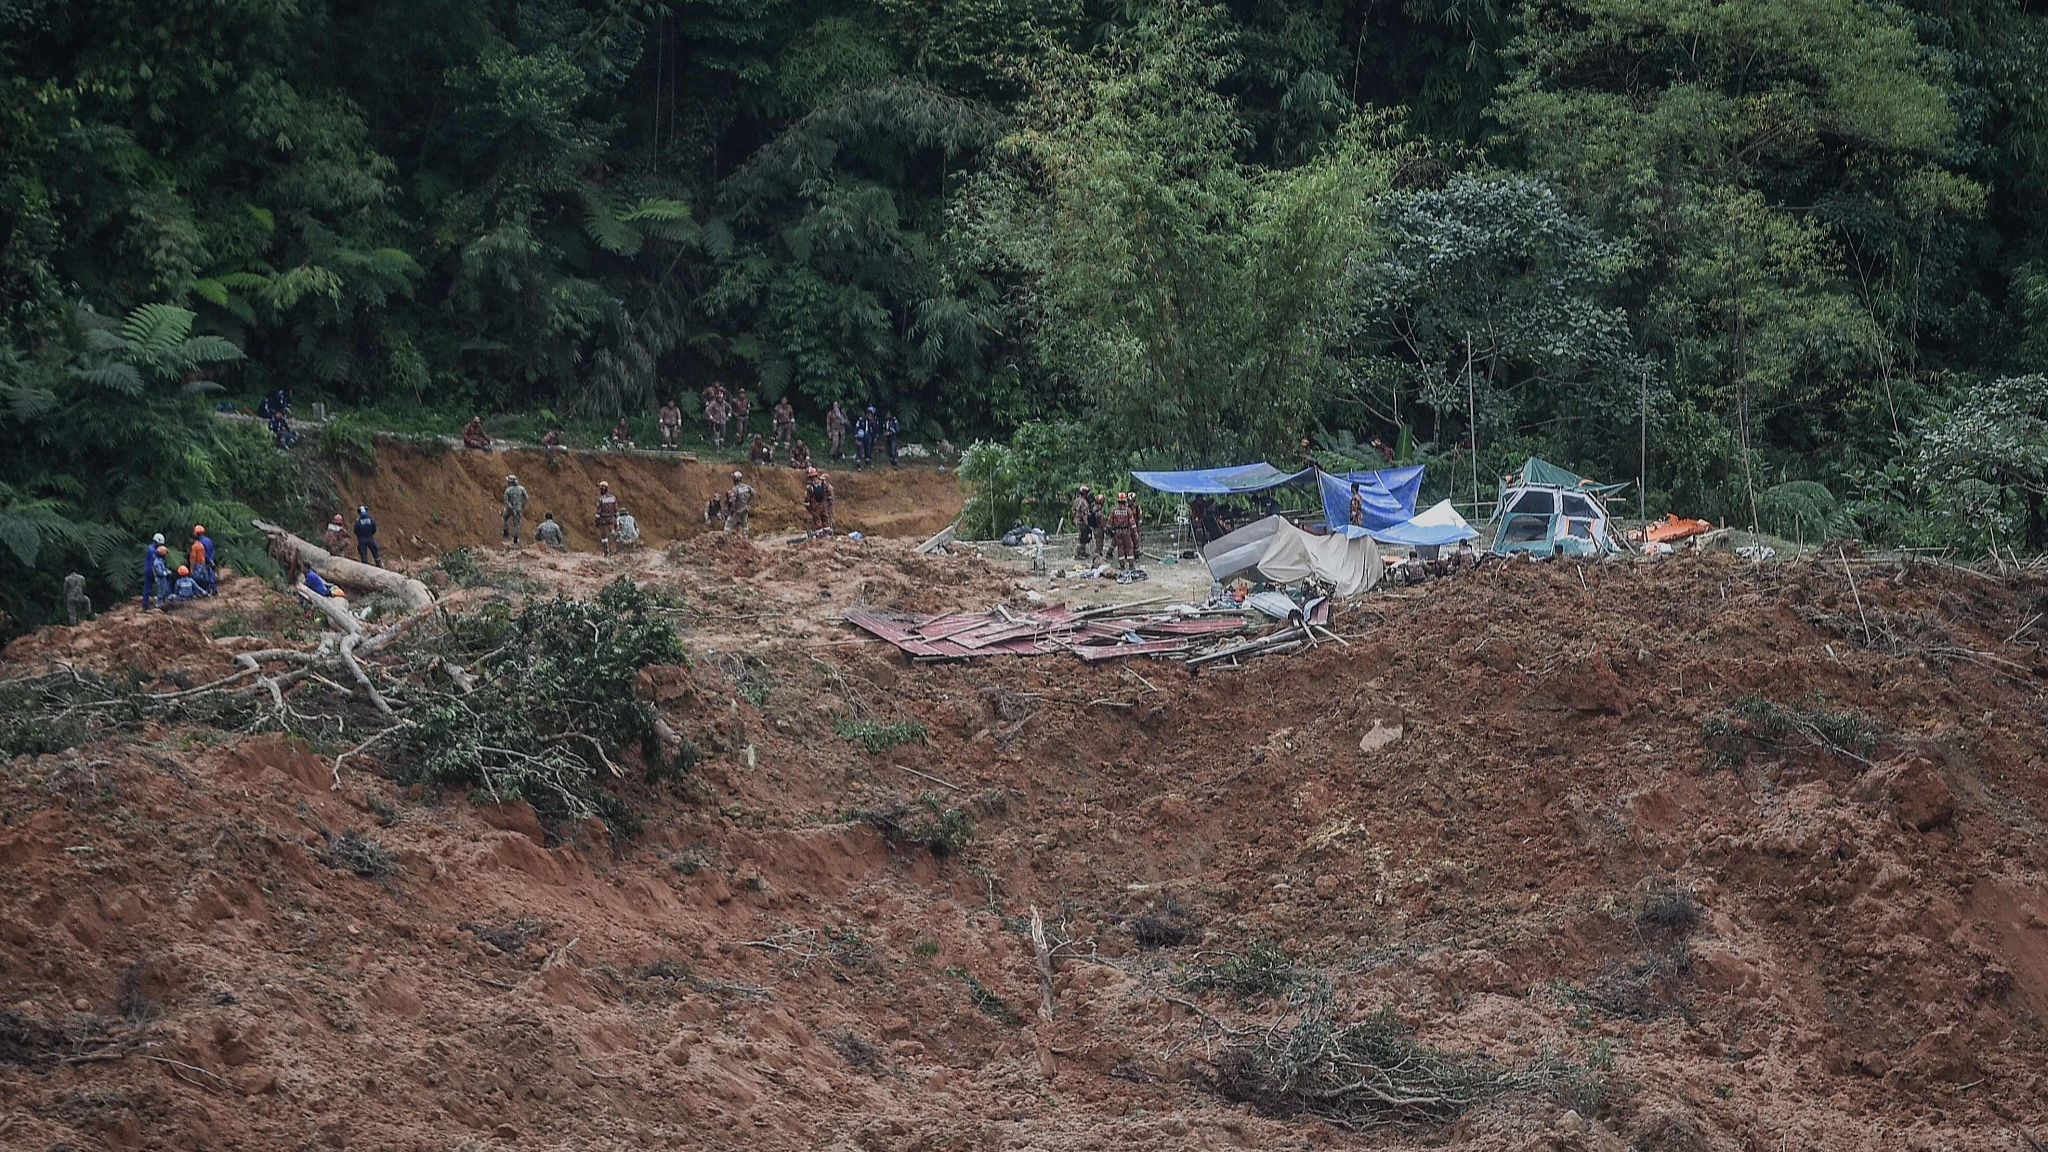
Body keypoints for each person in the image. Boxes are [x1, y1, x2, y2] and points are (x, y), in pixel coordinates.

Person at [1108, 492, 1141, 571]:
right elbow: (1132, 523)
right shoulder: (1127, 510)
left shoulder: (1114, 510)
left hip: (1117, 531)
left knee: (1120, 548)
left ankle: (1122, 566)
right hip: (1126, 531)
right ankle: (1131, 565)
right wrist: (1135, 532)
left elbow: (1109, 522)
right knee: (1129, 548)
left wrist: (1109, 531)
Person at [803, 467, 835, 534]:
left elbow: (807, 500)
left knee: (817, 522)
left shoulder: (809, 487)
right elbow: (829, 492)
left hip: (815, 508)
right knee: (826, 520)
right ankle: (827, 534)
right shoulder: (823, 483)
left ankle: (819, 536)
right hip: (824, 506)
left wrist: (809, 509)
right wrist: (828, 502)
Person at [141, 541, 171, 610]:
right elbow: (157, 569)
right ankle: (152, 605)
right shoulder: (154, 556)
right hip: (155, 575)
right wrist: (158, 575)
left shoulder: (159, 559)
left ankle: (164, 603)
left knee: (165, 589)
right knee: (159, 590)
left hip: (158, 575)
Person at [595, 481, 620, 555]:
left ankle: (606, 552)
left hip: (603, 520)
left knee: (604, 537)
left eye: (601, 489)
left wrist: (596, 521)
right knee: (612, 534)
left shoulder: (601, 499)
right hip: (611, 519)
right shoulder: (613, 498)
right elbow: (616, 511)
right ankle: (616, 547)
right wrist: (617, 522)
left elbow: (598, 512)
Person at [502, 474, 529, 543]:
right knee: (516, 524)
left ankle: (506, 533)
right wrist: (522, 505)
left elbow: (505, 500)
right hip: (518, 509)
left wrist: (510, 506)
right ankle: (515, 539)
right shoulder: (521, 489)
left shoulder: (508, 490)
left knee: (505, 518)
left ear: (510, 482)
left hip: (509, 509)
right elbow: (526, 498)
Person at [190, 525, 217, 591]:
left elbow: (201, 554)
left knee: (204, 576)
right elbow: (213, 550)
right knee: (210, 574)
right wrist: (211, 559)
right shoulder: (208, 540)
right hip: (210, 559)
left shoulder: (199, 544)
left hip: (204, 561)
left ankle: (208, 590)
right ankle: (213, 588)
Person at [1071, 485, 1095, 560]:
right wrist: (1087, 523)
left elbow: (1073, 511)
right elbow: (1084, 514)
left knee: (1082, 536)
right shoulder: (1084, 502)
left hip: (1077, 521)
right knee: (1083, 537)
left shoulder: (1076, 500)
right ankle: (1077, 554)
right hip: (1082, 522)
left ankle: (1082, 552)